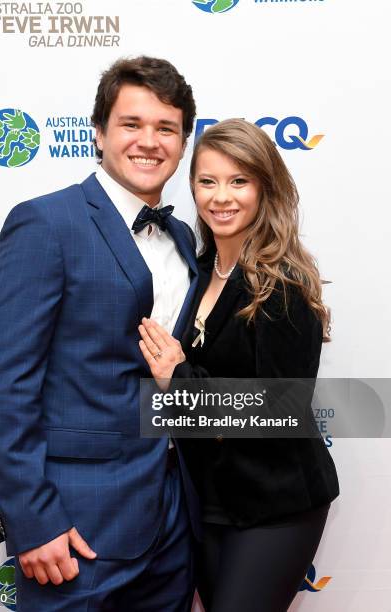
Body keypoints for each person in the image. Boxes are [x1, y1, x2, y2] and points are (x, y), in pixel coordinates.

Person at [0, 56, 201, 611]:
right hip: (76, 528)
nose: (150, 142)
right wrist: (32, 520)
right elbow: (5, 386)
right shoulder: (46, 224)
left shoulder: (185, 238)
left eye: (166, 128)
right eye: (132, 124)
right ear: (98, 133)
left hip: (175, 522)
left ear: (183, 141)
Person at [138, 118, 340, 612]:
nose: (221, 197)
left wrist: (177, 379)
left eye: (238, 181)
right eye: (207, 181)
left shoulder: (282, 282)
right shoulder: (199, 271)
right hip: (209, 502)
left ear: (263, 188)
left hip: (276, 505)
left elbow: (279, 410)